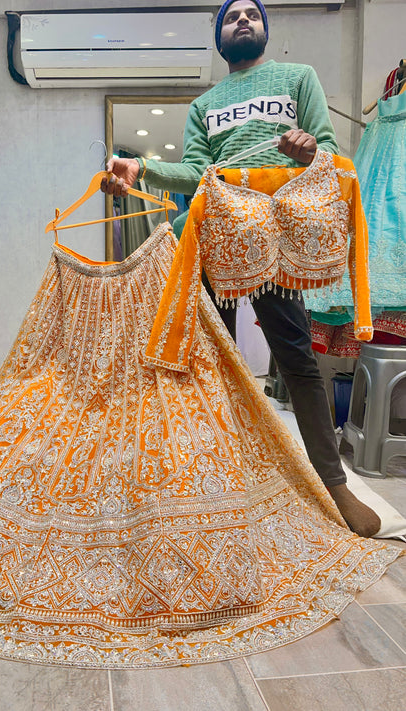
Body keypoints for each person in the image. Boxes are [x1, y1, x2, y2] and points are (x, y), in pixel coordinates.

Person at [101, 0, 381, 538]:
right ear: (220, 39)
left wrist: (307, 151)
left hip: (275, 231)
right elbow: (196, 173)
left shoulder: (299, 79)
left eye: (252, 14)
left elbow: (328, 150)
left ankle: (333, 482)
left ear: (265, 30)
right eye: (231, 17)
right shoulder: (204, 103)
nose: (243, 20)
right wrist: (141, 168)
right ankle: (212, 478)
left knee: (295, 357)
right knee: (205, 359)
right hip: (217, 229)